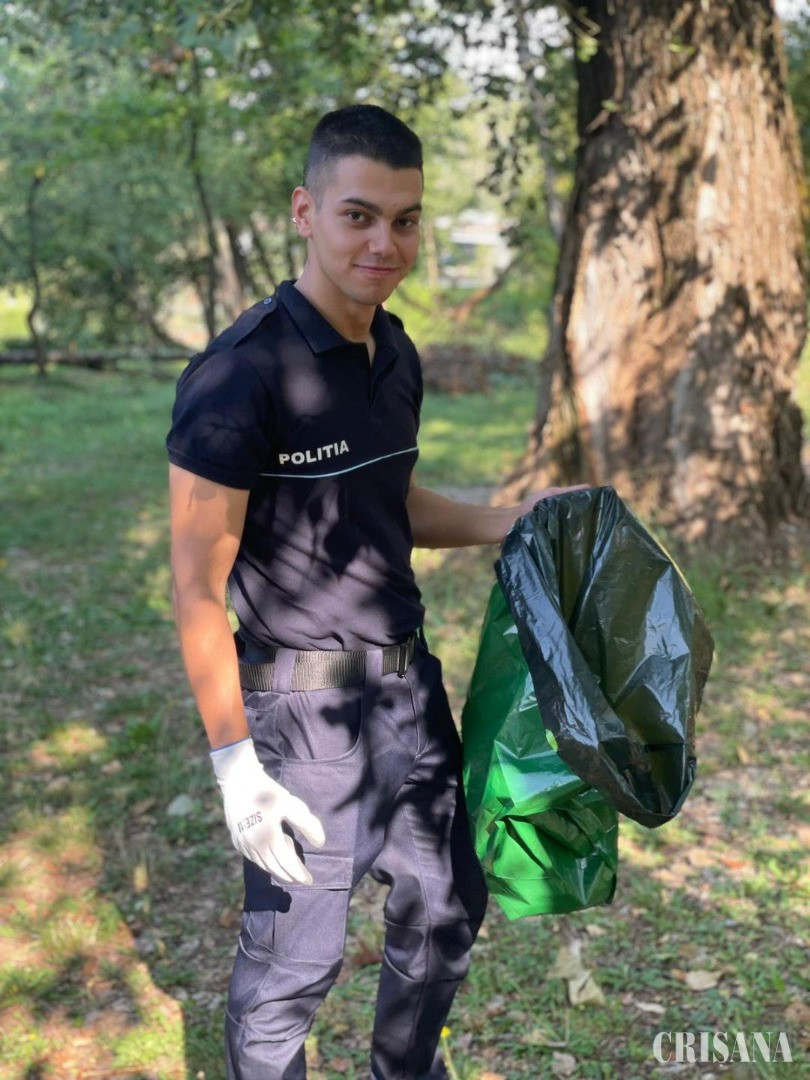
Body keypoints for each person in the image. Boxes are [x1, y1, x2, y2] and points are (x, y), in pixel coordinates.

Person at [167, 104, 583, 1080]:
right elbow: (195, 587)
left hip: (409, 690)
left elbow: (388, 501)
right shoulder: (237, 374)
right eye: (358, 215)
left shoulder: (394, 352)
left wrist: (513, 515)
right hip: (300, 713)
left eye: (404, 220)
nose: (382, 244)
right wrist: (236, 769)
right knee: (293, 968)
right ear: (306, 212)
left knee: (446, 909)